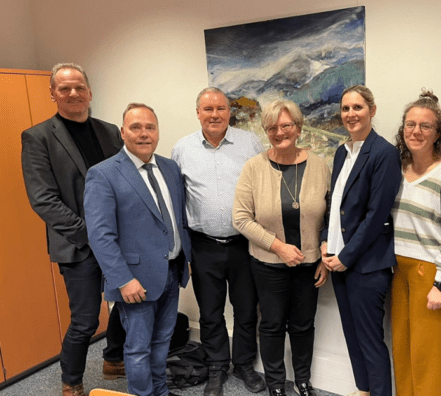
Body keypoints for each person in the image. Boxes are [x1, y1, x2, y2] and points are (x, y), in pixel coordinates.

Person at [21, 63, 126, 396]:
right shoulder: (37, 137)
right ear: (53, 93)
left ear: (89, 92)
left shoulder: (110, 131)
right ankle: (71, 381)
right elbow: (43, 200)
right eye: (64, 88)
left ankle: (113, 359)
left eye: (79, 87)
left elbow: (124, 182)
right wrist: (91, 235)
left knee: (127, 303)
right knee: (85, 320)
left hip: (118, 239)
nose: (73, 93)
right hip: (77, 245)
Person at [84, 103, 191, 396]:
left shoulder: (170, 168)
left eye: (150, 127)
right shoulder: (103, 174)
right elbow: (100, 235)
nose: (144, 134)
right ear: (123, 132)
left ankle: (160, 392)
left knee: (163, 341)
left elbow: (177, 219)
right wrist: (123, 280)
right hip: (134, 280)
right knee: (139, 348)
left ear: (157, 132)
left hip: (171, 271)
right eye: (136, 127)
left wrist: (186, 258)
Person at [171, 87, 265, 396]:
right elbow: (176, 199)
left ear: (229, 112)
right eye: (208, 109)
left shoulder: (250, 144)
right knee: (210, 312)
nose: (215, 114)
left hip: (245, 244)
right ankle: (216, 366)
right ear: (198, 112)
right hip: (203, 246)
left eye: (220, 108)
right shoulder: (182, 149)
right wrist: (182, 249)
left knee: (246, 310)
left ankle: (244, 364)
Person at [233, 100, 330, 396]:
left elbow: (331, 217)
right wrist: (279, 247)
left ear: (298, 128)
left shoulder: (320, 166)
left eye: (286, 125)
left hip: (309, 264)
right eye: (272, 127)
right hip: (268, 264)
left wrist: (324, 257)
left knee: (303, 325)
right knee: (272, 325)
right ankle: (276, 384)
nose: (279, 132)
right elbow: (240, 218)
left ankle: (303, 380)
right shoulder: (254, 167)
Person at [320, 85, 401, 396]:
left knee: (370, 341)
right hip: (339, 260)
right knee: (352, 336)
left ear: (372, 110)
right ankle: (363, 390)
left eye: (357, 107)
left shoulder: (384, 153)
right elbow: (334, 204)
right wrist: (326, 240)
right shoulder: (343, 152)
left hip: (366, 264)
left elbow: (376, 215)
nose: (351, 114)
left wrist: (346, 256)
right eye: (345, 108)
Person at [390, 90, 441, 395]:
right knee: (404, 354)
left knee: (429, 361)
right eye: (410, 124)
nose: (416, 131)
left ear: (438, 133)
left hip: (433, 272)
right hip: (399, 271)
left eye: (425, 126)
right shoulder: (398, 168)